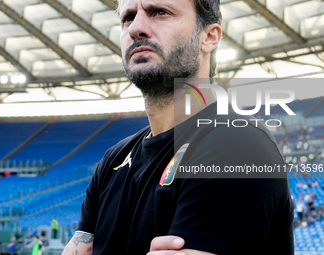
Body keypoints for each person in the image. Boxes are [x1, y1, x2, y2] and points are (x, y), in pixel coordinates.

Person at [62, 0, 294, 254]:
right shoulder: (113, 160)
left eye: (160, 12)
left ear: (209, 37)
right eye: (128, 17)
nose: (136, 28)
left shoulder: (237, 144)